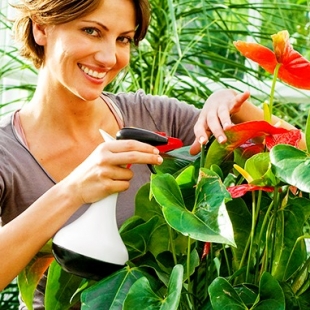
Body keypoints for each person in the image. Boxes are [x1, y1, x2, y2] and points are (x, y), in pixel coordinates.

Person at [0, 0, 304, 308]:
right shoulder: (6, 152)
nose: (109, 57)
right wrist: (72, 191)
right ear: (41, 28)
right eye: (91, 31)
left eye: (123, 39)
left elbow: (298, 160)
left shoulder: (155, 117)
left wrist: (236, 108)